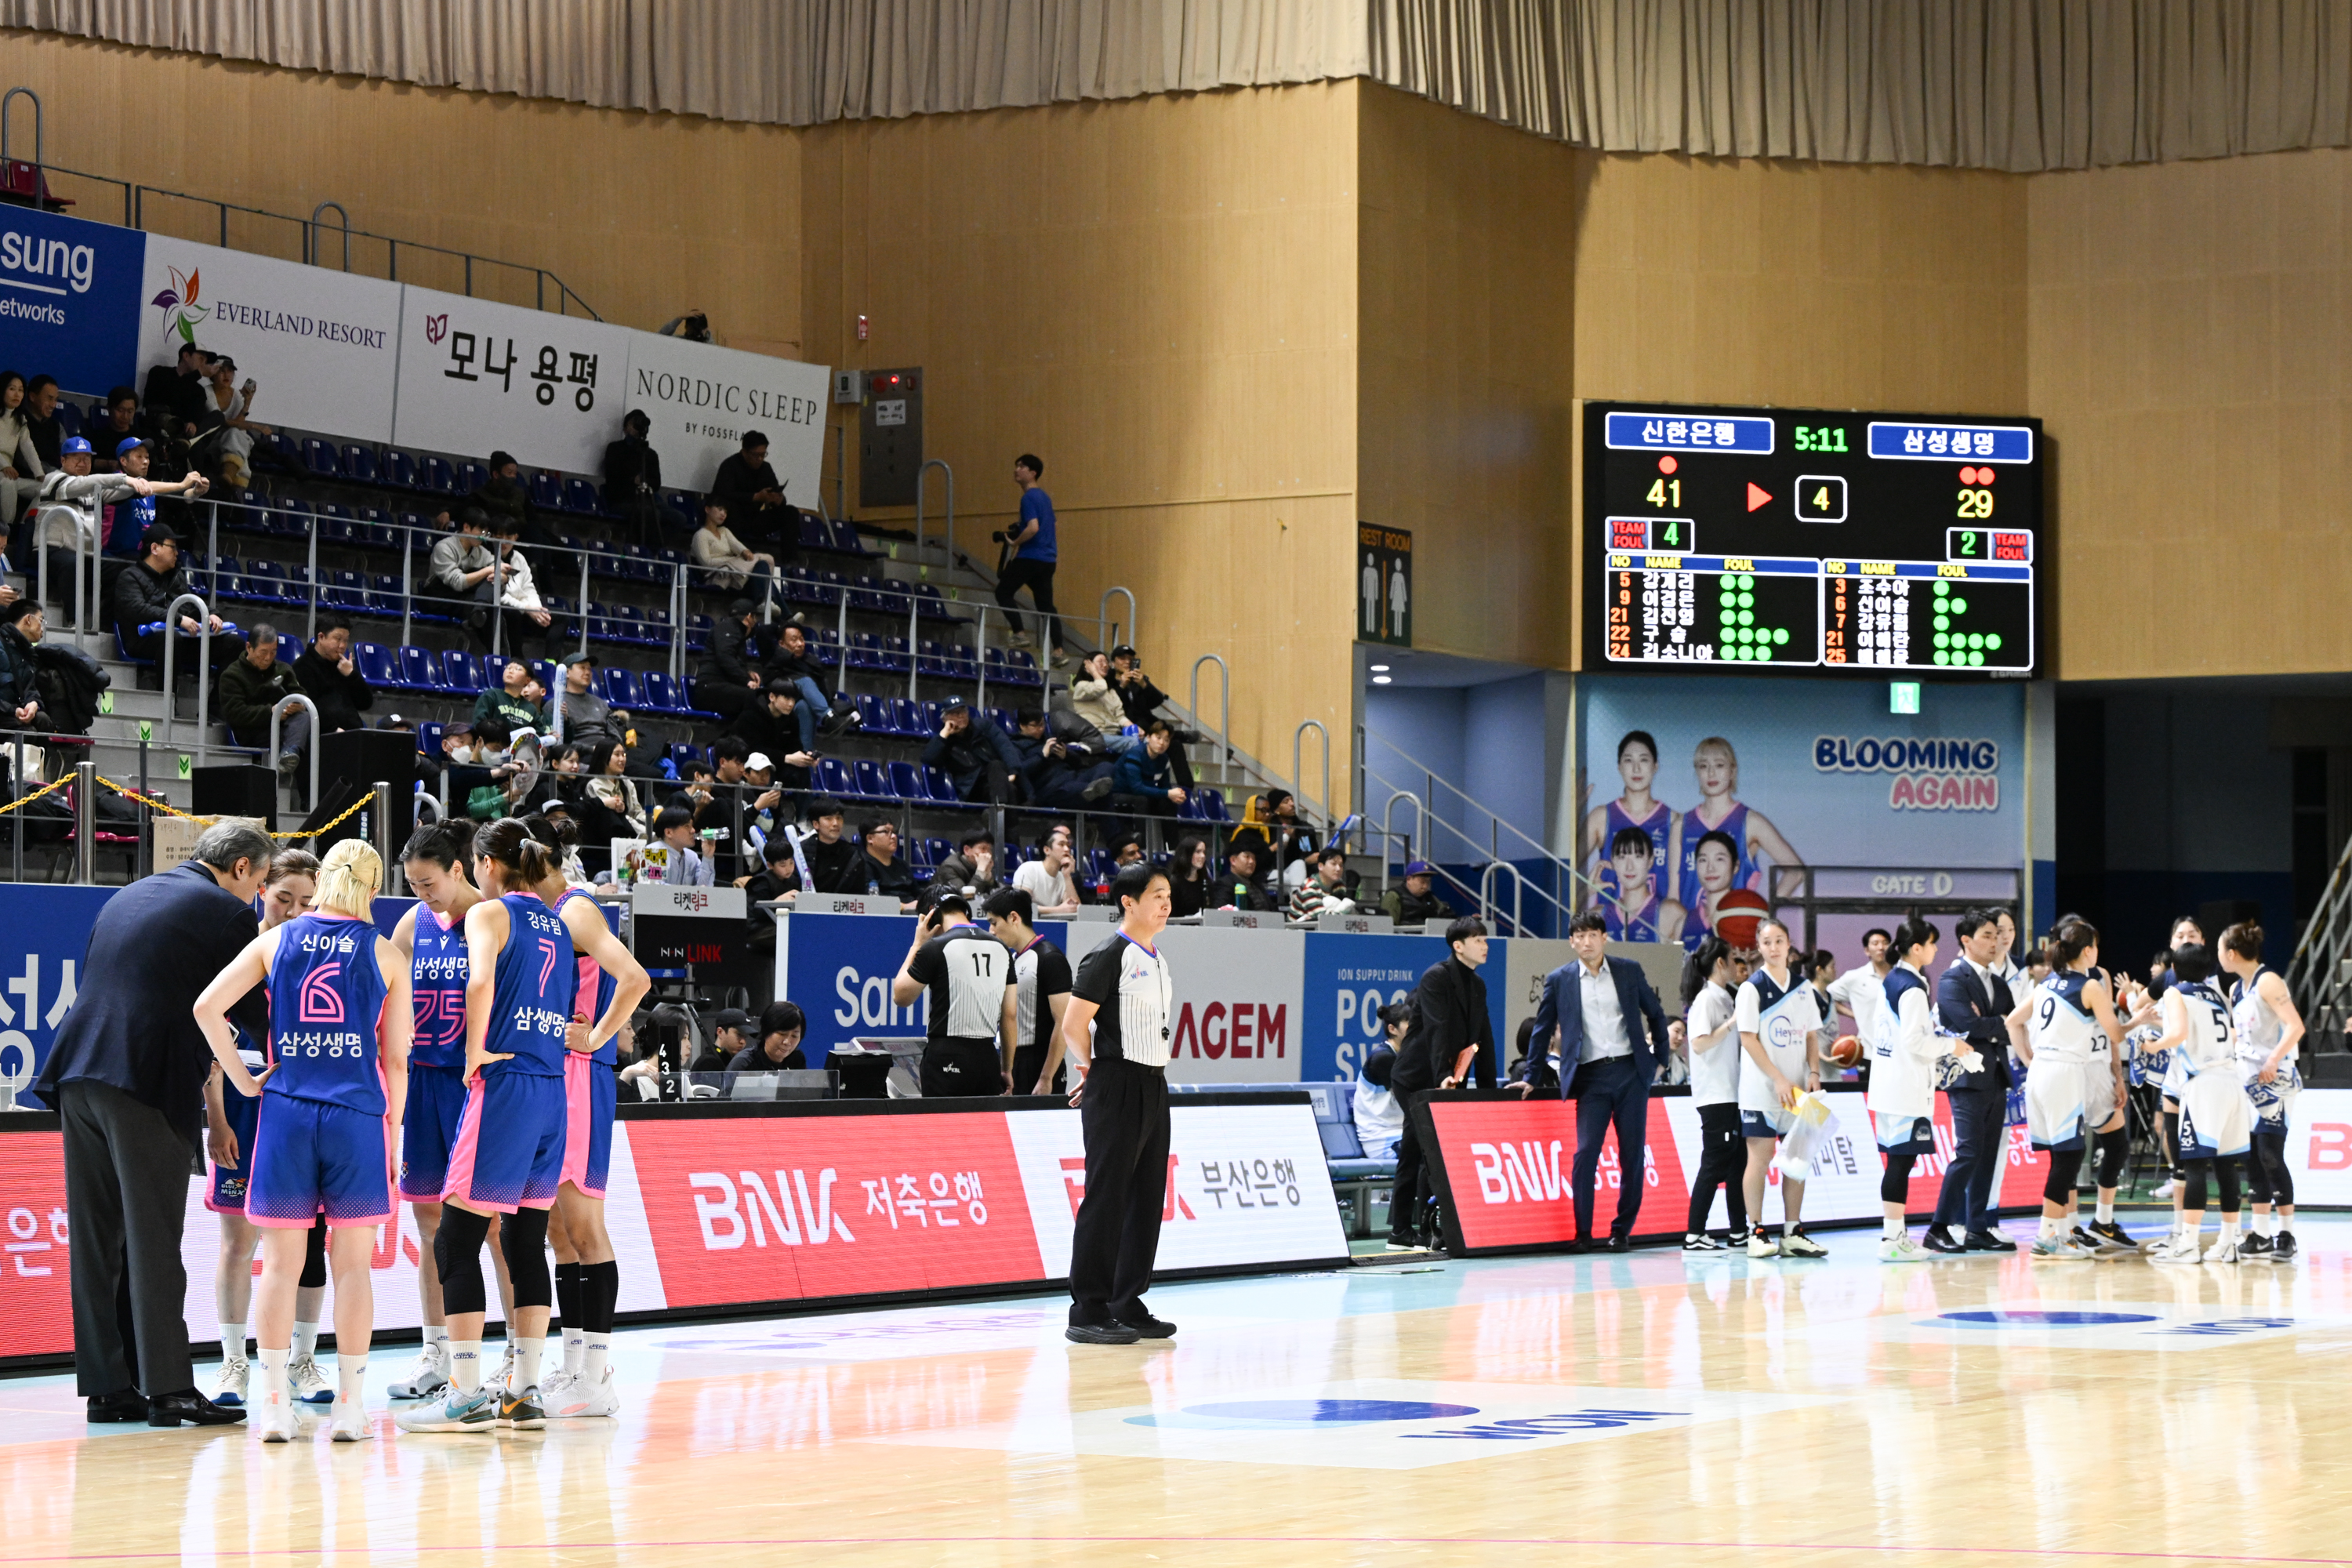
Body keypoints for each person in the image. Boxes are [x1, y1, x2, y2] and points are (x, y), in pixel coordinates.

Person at [33, 818, 275, 1428]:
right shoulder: (225, 912)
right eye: (261, 883)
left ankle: (110, 1390)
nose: (259, 898)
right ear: (240, 868)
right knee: (153, 1242)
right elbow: (252, 1010)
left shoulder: (130, 893)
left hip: (77, 1072)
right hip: (143, 1078)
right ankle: (170, 1390)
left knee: (97, 1242)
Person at [192, 840, 410, 1443]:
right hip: (357, 1118)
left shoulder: (277, 940)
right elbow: (396, 1060)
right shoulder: (386, 952)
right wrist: (393, 1136)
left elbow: (206, 1007)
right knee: (353, 1268)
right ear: (372, 888)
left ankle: (273, 1406)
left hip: (286, 1114)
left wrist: (244, 1081)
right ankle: (349, 1407)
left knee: (280, 1267)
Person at [397, 821, 588, 1434]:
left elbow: (479, 981)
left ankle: (463, 1393)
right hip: (550, 1089)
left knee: (454, 1242)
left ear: (479, 864)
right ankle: (524, 1391)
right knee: (525, 1242)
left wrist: (475, 1048)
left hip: (502, 1087)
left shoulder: (489, 914)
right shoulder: (558, 922)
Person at [381, 821, 521, 1405]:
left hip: (477, 1085)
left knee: (493, 1228)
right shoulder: (412, 924)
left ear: (458, 870)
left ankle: (517, 1353)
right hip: (424, 1084)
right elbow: (387, 997)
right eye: (412, 885)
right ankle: (436, 1354)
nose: (421, 894)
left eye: (429, 883)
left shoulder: (492, 919)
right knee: (431, 1226)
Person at [200, 852, 335, 1414]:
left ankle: (301, 1359)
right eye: (284, 898)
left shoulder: (324, 958)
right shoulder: (239, 954)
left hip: (305, 1116)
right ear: (261, 890)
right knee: (238, 1244)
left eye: (307, 902)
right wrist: (217, 1118)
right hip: (242, 1110)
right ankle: (233, 1362)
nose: (294, 911)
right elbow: (210, 1043)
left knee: (308, 1245)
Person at [527, 819, 651, 1421]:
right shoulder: (546, 913)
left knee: (583, 1226)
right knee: (559, 1231)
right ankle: (575, 1364)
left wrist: (597, 1037)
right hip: (554, 1075)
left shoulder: (577, 911)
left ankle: (597, 1374)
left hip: (581, 1077)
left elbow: (636, 978)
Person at [1062, 863, 1177, 1341]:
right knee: (1107, 1197)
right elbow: (1073, 1024)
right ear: (1129, 902)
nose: (1166, 903)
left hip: (1154, 1084)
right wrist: (1094, 1068)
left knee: (1147, 1198)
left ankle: (1126, 1302)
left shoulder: (1158, 957)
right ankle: (1088, 1309)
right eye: (1157, 895)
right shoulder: (1110, 954)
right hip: (1117, 1081)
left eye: (1168, 895)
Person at [1523, 910, 1671, 1250]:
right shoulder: (1560, 979)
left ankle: (1621, 1230)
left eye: (1593, 935)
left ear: (1604, 938)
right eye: (1580, 936)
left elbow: (1656, 1013)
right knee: (1586, 1152)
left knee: (1632, 1155)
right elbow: (1542, 1029)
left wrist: (1660, 1059)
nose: (1586, 942)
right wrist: (1531, 1074)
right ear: (1571, 942)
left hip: (1631, 1073)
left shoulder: (1628, 970)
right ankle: (1583, 1233)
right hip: (1590, 1077)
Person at [2008, 916, 2129, 1260]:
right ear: (2088, 950)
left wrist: (2029, 1060)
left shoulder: (2046, 984)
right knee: (2069, 1157)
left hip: (2041, 1072)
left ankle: (2062, 1234)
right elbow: (2116, 1032)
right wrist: (2140, 1020)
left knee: (2064, 1156)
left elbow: (2012, 1022)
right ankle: (2047, 1236)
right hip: (2065, 1072)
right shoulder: (2089, 986)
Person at [1385, 916, 1493, 1249]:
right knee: (1425, 1148)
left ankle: (1408, 1230)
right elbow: (1437, 1029)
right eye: (1478, 940)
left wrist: (1489, 1090)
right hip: (1417, 1077)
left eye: (1485, 939)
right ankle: (1415, 1229)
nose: (1485, 946)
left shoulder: (1478, 985)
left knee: (1420, 1150)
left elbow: (1484, 1038)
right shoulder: (1436, 977)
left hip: (1447, 1079)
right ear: (1458, 946)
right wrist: (1440, 1079)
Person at [2147, 943, 2248, 1265]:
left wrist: (2153, 1046)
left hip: (2203, 1085)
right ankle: (2229, 1242)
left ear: (2174, 968)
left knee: (2194, 1167)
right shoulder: (2217, 996)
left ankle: (2188, 1244)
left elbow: (2178, 1033)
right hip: (2231, 1080)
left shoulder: (2174, 992)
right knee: (2226, 1165)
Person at [1926, 907, 2017, 1254]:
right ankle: (1939, 1226)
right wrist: (1997, 1024)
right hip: (1965, 1078)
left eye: (1998, 935)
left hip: (1997, 1076)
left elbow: (2012, 1026)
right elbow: (1967, 1025)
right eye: (1987, 936)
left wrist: (1991, 1026)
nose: (1996, 942)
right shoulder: (1952, 980)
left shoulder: (1999, 983)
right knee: (1967, 1152)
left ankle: (1977, 1227)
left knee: (1988, 1155)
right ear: (1966, 940)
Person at [1733, 917, 1827, 1258]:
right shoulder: (1752, 988)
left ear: (1789, 945)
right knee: (1760, 1159)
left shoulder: (1804, 988)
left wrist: (1813, 1071)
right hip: (1762, 1090)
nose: (1773, 947)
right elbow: (1747, 1038)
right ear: (1759, 948)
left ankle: (1792, 1232)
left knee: (1797, 1160)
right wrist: (1777, 1078)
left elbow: (1812, 1035)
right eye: (1767, 942)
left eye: (1779, 941)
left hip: (1797, 1091)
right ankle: (1756, 1231)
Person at [1867, 920, 1958, 1262]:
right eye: (1932, 943)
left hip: (1888, 1084)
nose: (1936, 949)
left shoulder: (1892, 979)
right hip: (1905, 1088)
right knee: (1900, 1163)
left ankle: (1894, 1235)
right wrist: (1953, 1046)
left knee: (1897, 1162)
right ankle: (1892, 1239)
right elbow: (1916, 1042)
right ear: (1917, 948)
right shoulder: (1913, 987)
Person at [2221, 922, 2305, 1260]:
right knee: (2252, 1156)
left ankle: (2287, 1235)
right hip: (2247, 1079)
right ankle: (2260, 1235)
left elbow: (2296, 1026)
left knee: (2270, 1153)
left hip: (2275, 1078)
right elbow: (2237, 1035)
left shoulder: (2268, 981)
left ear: (2231, 953)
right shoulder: (2235, 989)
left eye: (2220, 950)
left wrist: (2273, 1059)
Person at [895, 891, 1018, 1096]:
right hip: (987, 1059)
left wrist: (917, 944)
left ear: (931, 916)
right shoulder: (1002, 949)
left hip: (946, 1058)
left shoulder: (936, 947)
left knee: (944, 1118)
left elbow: (901, 996)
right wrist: (1006, 1069)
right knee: (984, 1118)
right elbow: (1010, 1015)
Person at [1677, 936, 1749, 1250]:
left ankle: (1739, 1230)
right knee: (1714, 1163)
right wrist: (1732, 1023)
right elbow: (1698, 1043)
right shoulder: (1706, 1000)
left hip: (1732, 1093)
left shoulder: (1726, 997)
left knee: (1737, 1164)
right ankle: (1695, 1232)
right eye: (1732, 959)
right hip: (1715, 1095)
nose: (1736, 964)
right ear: (1720, 963)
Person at [1675, 737, 1804, 906]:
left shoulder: (1751, 822)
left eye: (1719, 765)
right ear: (1697, 772)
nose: (1711, 773)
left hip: (1733, 922)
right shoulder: (1681, 825)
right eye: (1704, 766)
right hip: (1690, 922)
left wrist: (1761, 912)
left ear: (1732, 770)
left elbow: (1796, 872)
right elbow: (1673, 894)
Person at [984, 887, 1074, 1095]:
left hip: (1037, 1065)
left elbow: (1064, 1022)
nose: (991, 931)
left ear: (1014, 918)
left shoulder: (1050, 958)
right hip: (1013, 1062)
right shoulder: (1013, 959)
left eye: (994, 922)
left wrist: (1046, 1077)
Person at [1581, 729, 1680, 907]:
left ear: (1655, 766)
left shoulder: (1673, 821)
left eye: (1644, 760)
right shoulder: (1602, 817)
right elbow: (1568, 867)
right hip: (1610, 921)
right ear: (1619, 767)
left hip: (1656, 922)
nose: (1636, 768)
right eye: (1628, 760)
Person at [995, 453, 1065, 663]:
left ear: (1033, 473)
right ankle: (1059, 651)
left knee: (1003, 592)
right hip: (1048, 559)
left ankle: (1020, 633)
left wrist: (1015, 543)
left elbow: (1033, 527)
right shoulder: (1045, 497)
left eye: (1022, 467)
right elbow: (1053, 525)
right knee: (1046, 606)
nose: (1017, 470)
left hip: (1030, 557)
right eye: (1016, 466)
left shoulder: (1028, 498)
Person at [428, 507, 507, 647]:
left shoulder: (480, 551)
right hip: (440, 598)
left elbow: (501, 567)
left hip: (465, 598)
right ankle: (500, 655)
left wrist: (503, 577)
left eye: (486, 533)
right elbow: (457, 582)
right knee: (489, 604)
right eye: (481, 531)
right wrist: (488, 570)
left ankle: (478, 612)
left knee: (493, 594)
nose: (484, 536)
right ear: (466, 527)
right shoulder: (444, 547)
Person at [767, 620, 855, 745]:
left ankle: (806, 752)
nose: (800, 644)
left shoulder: (811, 661)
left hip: (806, 705)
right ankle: (829, 717)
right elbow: (762, 632)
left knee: (804, 707)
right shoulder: (775, 661)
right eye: (794, 640)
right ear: (781, 644)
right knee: (805, 681)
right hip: (780, 706)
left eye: (802, 639)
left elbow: (825, 687)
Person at [710, 431, 797, 557]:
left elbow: (774, 491)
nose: (760, 459)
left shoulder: (766, 469)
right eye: (756, 455)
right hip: (731, 518)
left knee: (790, 512)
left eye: (763, 455)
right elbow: (723, 494)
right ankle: (734, 555)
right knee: (730, 508)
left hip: (753, 519)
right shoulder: (730, 465)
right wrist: (755, 497)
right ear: (744, 452)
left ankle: (790, 560)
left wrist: (778, 500)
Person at [1596, 824, 1687, 944]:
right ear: (1613, 862)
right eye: (1622, 857)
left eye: (1638, 857)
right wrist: (1589, 890)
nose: (1629, 867)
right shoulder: (1598, 917)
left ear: (1650, 861)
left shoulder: (1670, 913)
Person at [926, 695, 1025, 804]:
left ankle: (998, 809)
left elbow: (1004, 746)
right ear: (945, 718)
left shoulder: (983, 726)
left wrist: (1013, 770)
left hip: (995, 780)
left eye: (963, 711)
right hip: (971, 787)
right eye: (955, 713)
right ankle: (999, 809)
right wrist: (944, 734)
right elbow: (929, 759)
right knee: (1009, 788)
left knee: (998, 768)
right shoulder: (943, 741)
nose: (961, 716)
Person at [1828, 927, 1895, 1078]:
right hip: (1869, 1054)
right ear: (1867, 951)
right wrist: (1853, 1015)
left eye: (1885, 943)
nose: (1881, 947)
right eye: (1875, 943)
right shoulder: (1856, 978)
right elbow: (1825, 996)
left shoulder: (1902, 976)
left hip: (1899, 1054)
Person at [292, 619, 373, 734]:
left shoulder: (343, 667)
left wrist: (352, 675)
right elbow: (309, 706)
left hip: (352, 733)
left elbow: (365, 703)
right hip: (323, 736)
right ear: (321, 637)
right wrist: (333, 729)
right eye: (338, 639)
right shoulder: (302, 667)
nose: (342, 646)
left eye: (346, 640)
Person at [696, 598, 768, 722]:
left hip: (720, 688)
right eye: (755, 617)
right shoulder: (729, 627)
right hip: (710, 688)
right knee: (756, 698)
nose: (756, 622)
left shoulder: (734, 633)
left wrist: (747, 673)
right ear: (749, 617)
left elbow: (732, 659)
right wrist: (746, 681)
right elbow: (725, 657)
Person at [0, 369, 45, 557]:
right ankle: (6, 530)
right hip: (4, 472)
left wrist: (40, 475)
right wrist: (4, 465)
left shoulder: (20, 420)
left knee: (44, 490)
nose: (17, 394)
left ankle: (23, 528)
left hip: (7, 473)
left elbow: (28, 447)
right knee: (8, 483)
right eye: (12, 389)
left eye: (20, 390)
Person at [1111, 719, 1188, 815]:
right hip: (1119, 794)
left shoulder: (1164, 759)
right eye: (1158, 738)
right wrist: (1168, 793)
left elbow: (1165, 786)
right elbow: (1137, 788)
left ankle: (1172, 825)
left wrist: (1176, 796)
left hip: (1143, 794)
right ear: (1148, 738)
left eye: (1166, 740)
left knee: (1168, 802)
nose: (1162, 743)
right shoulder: (1135, 755)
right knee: (1142, 800)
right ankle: (1139, 826)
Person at [553, 652, 626, 750]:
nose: (587, 673)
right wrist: (590, 750)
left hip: (604, 753)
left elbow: (615, 736)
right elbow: (560, 743)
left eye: (589, 669)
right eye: (582, 668)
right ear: (567, 673)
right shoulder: (556, 704)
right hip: (577, 754)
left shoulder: (601, 704)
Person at [1014, 823, 1083, 916]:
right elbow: (1020, 905)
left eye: (1068, 845)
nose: (1067, 849)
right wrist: (1058, 910)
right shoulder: (1028, 869)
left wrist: (1067, 876)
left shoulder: (1063, 877)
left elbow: (1075, 909)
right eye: (1061, 845)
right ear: (1047, 850)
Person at [853, 819, 919, 908]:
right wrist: (904, 907)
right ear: (870, 839)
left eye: (894, 832)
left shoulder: (903, 865)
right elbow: (872, 900)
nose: (894, 836)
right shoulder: (861, 865)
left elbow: (918, 894)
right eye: (886, 832)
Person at [649, 804, 717, 887]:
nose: (693, 830)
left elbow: (704, 888)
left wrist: (708, 857)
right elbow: (654, 888)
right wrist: (689, 891)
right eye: (687, 826)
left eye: (692, 826)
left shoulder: (692, 856)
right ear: (669, 832)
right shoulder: (654, 852)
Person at [474, 659, 546, 737]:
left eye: (518, 669)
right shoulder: (492, 695)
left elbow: (539, 736)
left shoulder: (531, 709)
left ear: (527, 680)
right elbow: (479, 723)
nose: (511, 671)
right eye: (508, 668)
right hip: (493, 742)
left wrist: (547, 737)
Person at [1288, 845, 1356, 923]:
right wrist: (1345, 908)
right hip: (1296, 928)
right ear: (1320, 866)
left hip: (1322, 925)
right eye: (1333, 864)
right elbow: (1323, 920)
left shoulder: (1339, 885)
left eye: (1341, 865)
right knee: (1331, 901)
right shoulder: (1309, 887)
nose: (1338, 869)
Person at [1069, 650, 1127, 737]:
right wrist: (1093, 671)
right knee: (1132, 742)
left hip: (1114, 734)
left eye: (1106, 662)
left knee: (1144, 741)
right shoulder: (1082, 686)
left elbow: (1120, 717)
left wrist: (1136, 728)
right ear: (1088, 667)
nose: (1105, 665)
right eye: (1100, 662)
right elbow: (1100, 688)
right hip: (1094, 734)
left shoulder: (1111, 691)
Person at [932, 830, 1001, 898]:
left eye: (989, 849)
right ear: (967, 850)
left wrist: (989, 880)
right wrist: (980, 873)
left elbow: (995, 899)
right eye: (983, 848)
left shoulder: (977, 865)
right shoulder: (949, 867)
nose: (988, 854)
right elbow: (964, 900)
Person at [1381, 860, 1451, 927]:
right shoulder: (1394, 896)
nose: (1425, 886)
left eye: (1428, 882)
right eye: (1422, 882)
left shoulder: (1431, 898)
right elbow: (1387, 926)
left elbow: (1445, 916)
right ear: (1409, 879)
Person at [1218, 843, 1279, 913]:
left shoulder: (1257, 883)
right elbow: (1221, 913)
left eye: (1254, 858)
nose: (1252, 861)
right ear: (1233, 860)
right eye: (1247, 857)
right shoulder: (1225, 884)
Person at [1166, 836, 1209, 919]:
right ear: (1187, 854)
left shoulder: (1206, 882)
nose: (1203, 856)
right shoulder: (1174, 883)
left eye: (1204, 852)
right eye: (1198, 852)